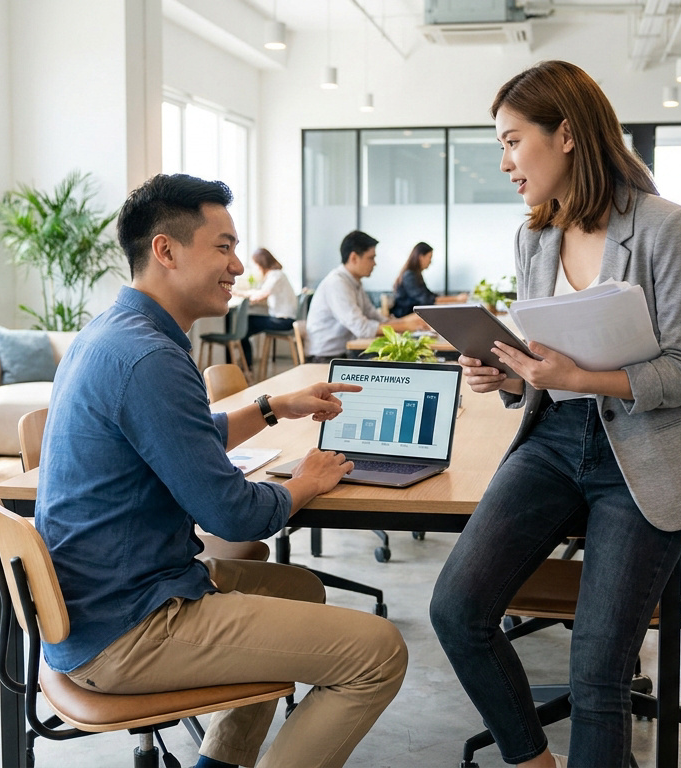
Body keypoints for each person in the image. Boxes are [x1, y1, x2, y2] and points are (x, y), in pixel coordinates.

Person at [35, 173, 407, 768]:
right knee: (380, 653)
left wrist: (271, 407)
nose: (238, 265)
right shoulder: (152, 356)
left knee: (301, 590)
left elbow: (184, 437)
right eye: (224, 246)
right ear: (166, 250)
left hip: (99, 603)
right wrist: (304, 483)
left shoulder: (111, 333)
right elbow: (231, 515)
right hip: (127, 627)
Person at [428, 61, 681, 768]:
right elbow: (543, 365)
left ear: (565, 135)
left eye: (511, 141)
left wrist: (582, 375)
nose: (504, 163)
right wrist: (506, 375)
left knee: (598, 675)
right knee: (458, 609)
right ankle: (533, 760)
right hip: (555, 439)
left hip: (644, 452)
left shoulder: (665, 229)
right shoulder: (535, 238)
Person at [304, 230, 427, 362]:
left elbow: (376, 317)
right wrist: (405, 326)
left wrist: (409, 321)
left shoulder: (355, 283)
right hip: (324, 359)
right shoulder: (337, 283)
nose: (375, 263)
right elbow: (362, 328)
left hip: (345, 353)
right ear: (354, 258)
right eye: (371, 257)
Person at [233, 247, 297, 363]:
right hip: (285, 319)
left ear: (261, 263)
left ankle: (246, 364)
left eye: (256, 265)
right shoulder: (277, 275)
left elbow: (261, 294)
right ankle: (245, 363)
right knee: (246, 325)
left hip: (283, 321)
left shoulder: (275, 275)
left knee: (245, 324)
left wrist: (239, 293)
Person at [390, 241, 468, 317]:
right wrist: (456, 299)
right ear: (421, 257)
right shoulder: (409, 275)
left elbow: (430, 296)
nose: (430, 261)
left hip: (413, 316)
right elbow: (427, 299)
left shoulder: (416, 275)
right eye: (429, 257)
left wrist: (454, 299)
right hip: (406, 317)